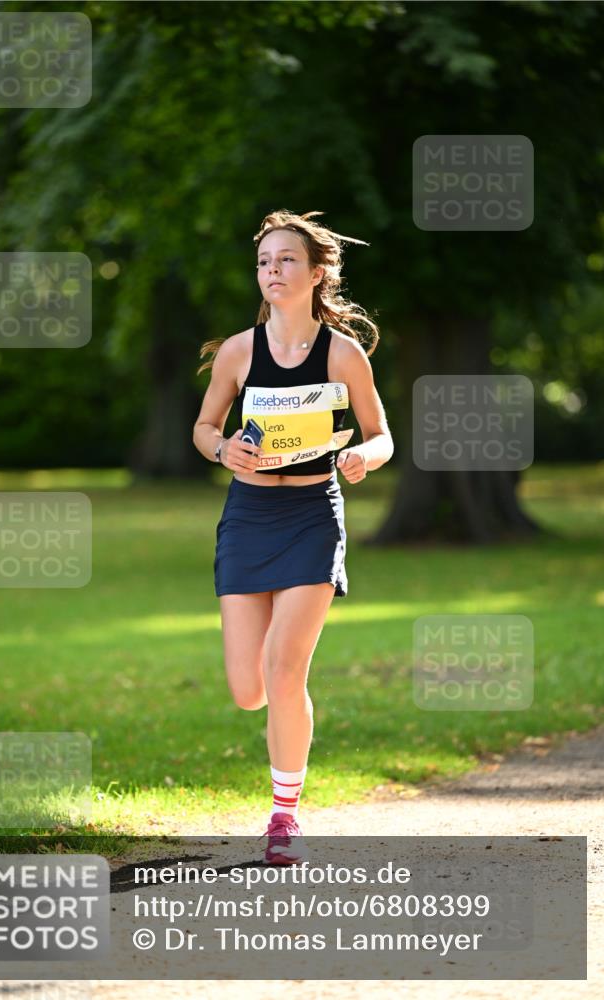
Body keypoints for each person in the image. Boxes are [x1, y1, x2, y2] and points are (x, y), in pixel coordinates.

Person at [193, 209, 394, 863]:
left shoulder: (341, 352)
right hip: (247, 520)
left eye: (284, 261)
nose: (271, 271)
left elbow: (381, 432)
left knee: (284, 673)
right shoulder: (237, 351)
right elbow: (203, 428)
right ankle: (281, 786)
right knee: (247, 689)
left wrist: (366, 457)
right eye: (263, 262)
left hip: (312, 517)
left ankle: (283, 817)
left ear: (315, 274)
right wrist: (223, 449)